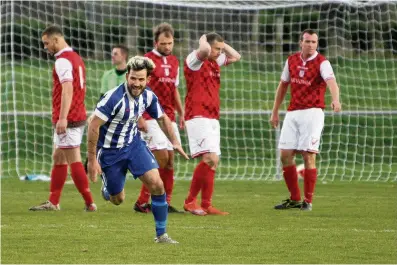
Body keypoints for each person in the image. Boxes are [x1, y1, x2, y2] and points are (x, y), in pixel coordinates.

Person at [86, 56, 189, 243]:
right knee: (117, 200)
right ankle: (108, 187)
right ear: (127, 76)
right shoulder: (113, 98)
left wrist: (175, 142)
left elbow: (163, 118)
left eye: (141, 79)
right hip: (110, 152)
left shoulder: (148, 96)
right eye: (133, 78)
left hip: (134, 145)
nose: (136, 83)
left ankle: (161, 235)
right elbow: (93, 125)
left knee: (157, 184)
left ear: (148, 80)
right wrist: (92, 160)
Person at [270, 29, 341, 211]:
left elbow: (331, 82)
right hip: (293, 112)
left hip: (313, 112)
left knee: (308, 155)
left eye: (314, 42)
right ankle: (294, 198)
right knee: (285, 155)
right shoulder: (291, 60)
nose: (310, 45)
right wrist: (275, 111)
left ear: (317, 44)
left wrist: (335, 99)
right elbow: (283, 85)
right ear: (301, 42)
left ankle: (307, 202)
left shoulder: (322, 63)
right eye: (307, 41)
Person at [29, 25, 96, 212]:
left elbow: (68, 88)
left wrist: (63, 118)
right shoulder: (76, 58)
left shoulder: (63, 61)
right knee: (58, 157)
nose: (46, 47)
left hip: (70, 117)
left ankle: (89, 202)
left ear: (56, 40)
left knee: (72, 158)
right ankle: (53, 201)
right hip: (77, 113)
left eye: (47, 43)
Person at [183, 33, 241, 215]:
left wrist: (222, 45)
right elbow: (206, 49)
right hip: (197, 115)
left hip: (212, 116)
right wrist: (203, 39)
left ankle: (206, 204)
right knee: (210, 158)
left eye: (220, 50)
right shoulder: (194, 59)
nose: (218, 52)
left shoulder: (215, 61)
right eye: (216, 49)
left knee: (213, 162)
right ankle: (190, 201)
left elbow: (236, 56)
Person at [134, 22, 184, 214]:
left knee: (170, 160)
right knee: (160, 158)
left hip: (168, 116)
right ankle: (142, 201)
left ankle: (165, 202)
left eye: (170, 43)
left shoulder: (174, 62)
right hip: (149, 115)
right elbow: (136, 89)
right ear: (156, 42)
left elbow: (174, 90)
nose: (167, 47)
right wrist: (138, 116)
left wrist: (181, 113)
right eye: (163, 43)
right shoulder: (145, 61)